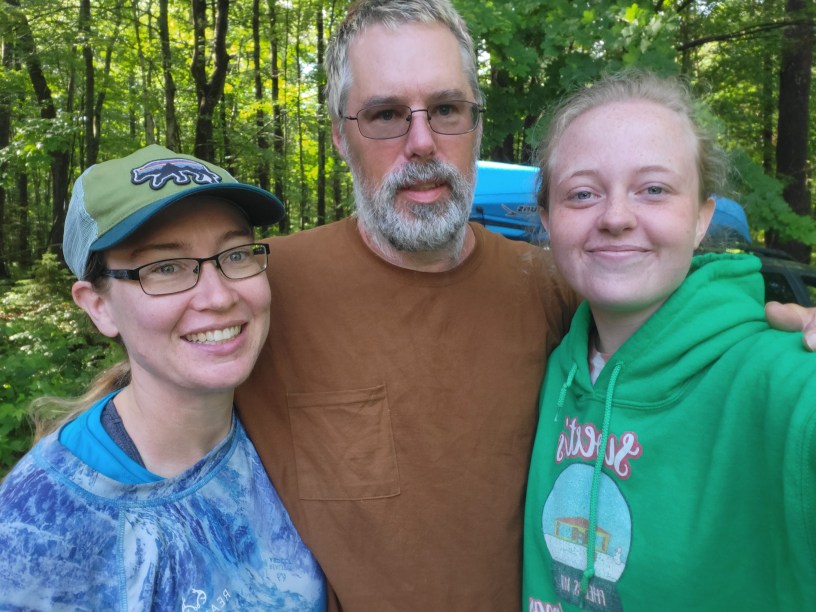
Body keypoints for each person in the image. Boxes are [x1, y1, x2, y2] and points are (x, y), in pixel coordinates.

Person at [235, 1, 816, 610]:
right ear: (339, 134)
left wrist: (779, 329)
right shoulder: (260, 290)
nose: (422, 143)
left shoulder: (556, 290)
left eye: (447, 109)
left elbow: (672, 317)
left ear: (476, 123)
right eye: (385, 115)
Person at [522, 71, 816, 611]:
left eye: (653, 189)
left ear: (702, 217)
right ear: (548, 220)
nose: (615, 217)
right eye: (582, 194)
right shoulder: (557, 367)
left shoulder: (781, 378)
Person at [0, 145, 326, 610]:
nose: (218, 297)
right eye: (166, 267)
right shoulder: (40, 529)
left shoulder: (282, 434)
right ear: (99, 306)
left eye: (235, 255)